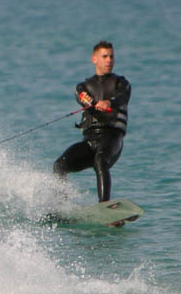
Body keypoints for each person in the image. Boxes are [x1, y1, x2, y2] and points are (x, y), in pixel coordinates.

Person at [53, 40, 131, 202]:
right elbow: (80, 96)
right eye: (105, 56)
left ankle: (105, 205)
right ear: (94, 59)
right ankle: (61, 205)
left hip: (112, 138)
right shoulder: (84, 86)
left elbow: (122, 97)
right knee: (59, 165)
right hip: (89, 140)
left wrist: (109, 102)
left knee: (100, 160)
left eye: (111, 56)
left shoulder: (121, 83)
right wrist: (88, 101)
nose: (109, 60)